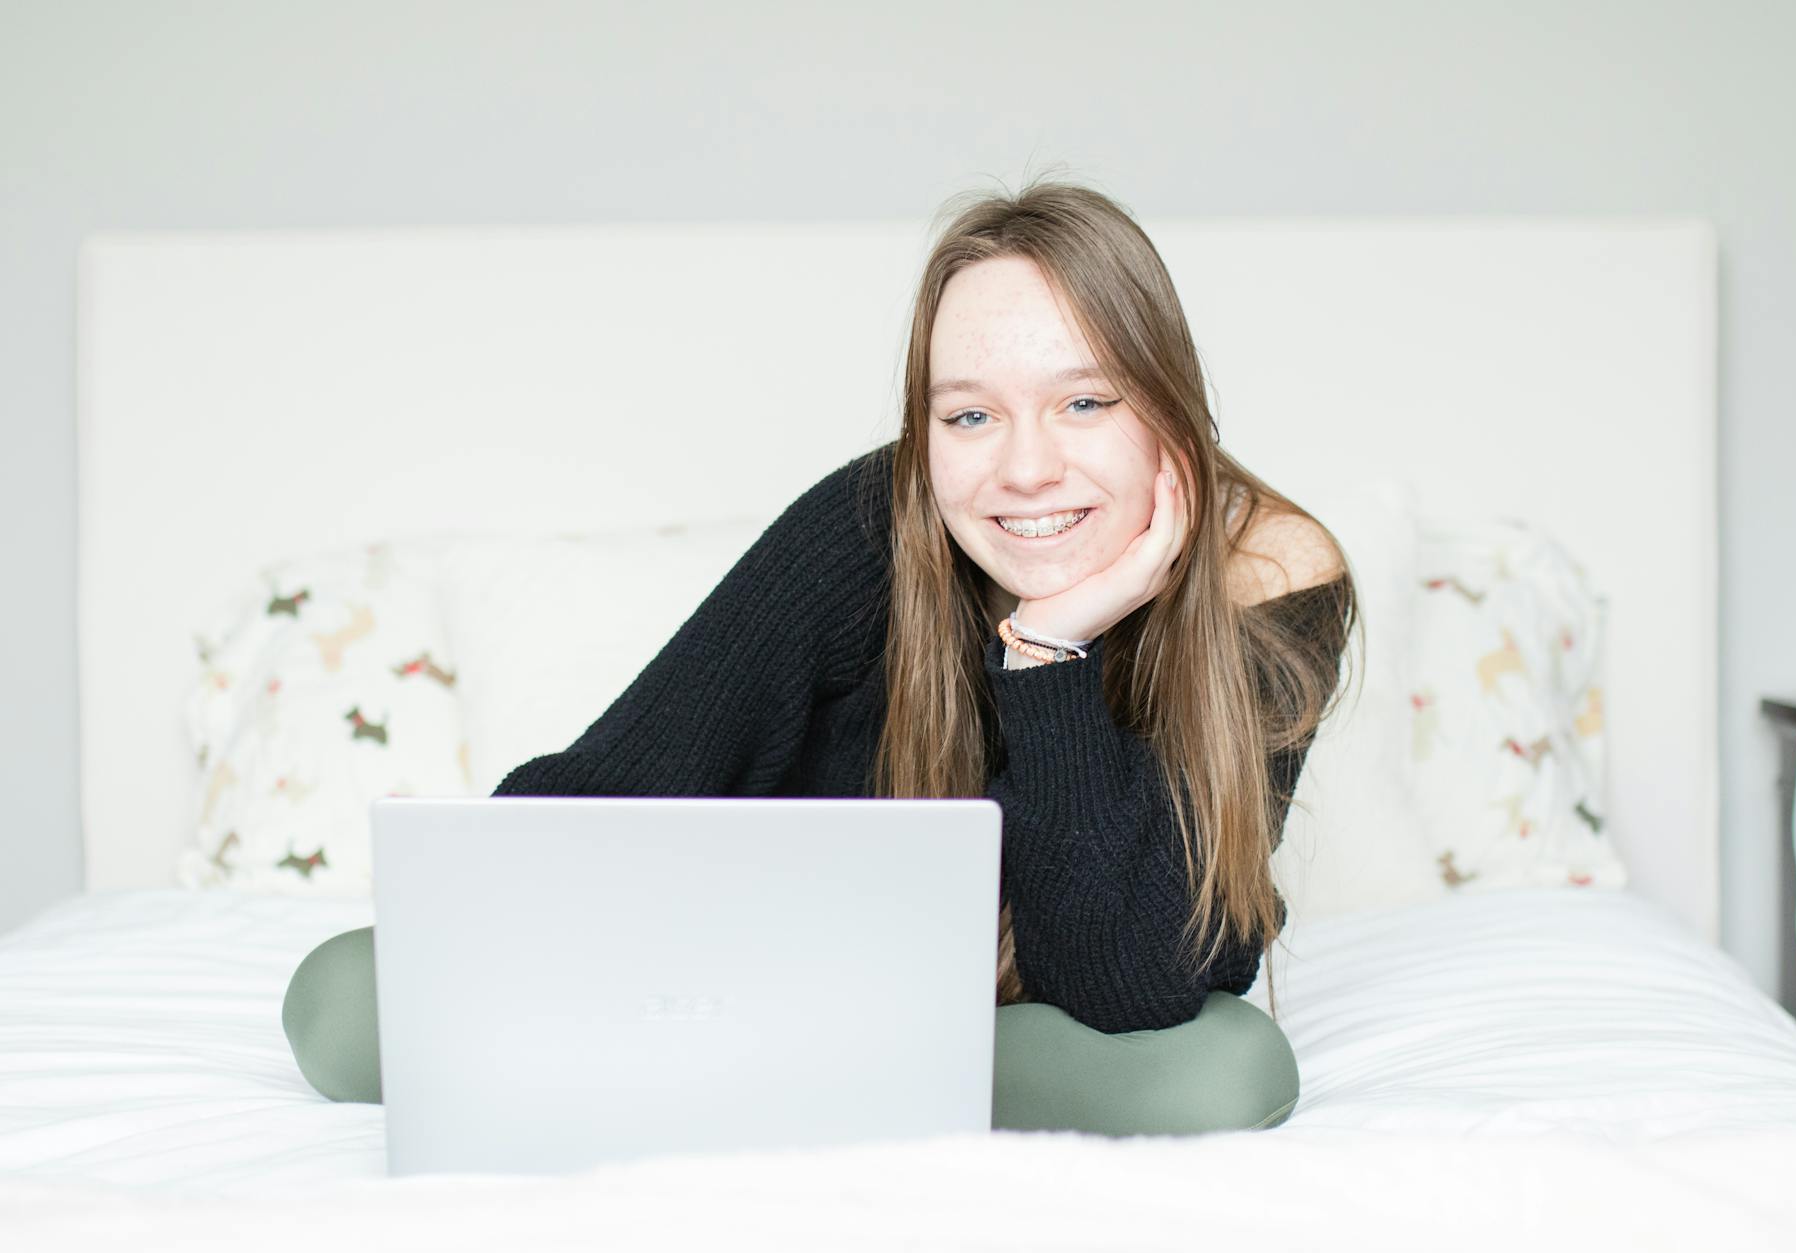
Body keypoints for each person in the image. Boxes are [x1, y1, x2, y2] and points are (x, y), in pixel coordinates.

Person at [282, 175, 1361, 1138]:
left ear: (1167, 409)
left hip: (1013, 1017)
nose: (1024, 467)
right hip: (738, 969)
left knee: (1221, 1068)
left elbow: (1136, 978)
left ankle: (724, 1080)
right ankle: (766, 1066)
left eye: (1084, 401)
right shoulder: (875, 521)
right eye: (969, 414)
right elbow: (594, 797)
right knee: (342, 1001)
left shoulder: (1270, 579)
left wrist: (1048, 650)